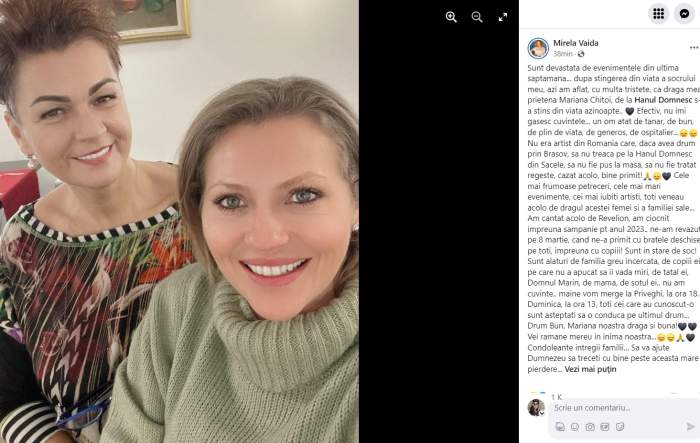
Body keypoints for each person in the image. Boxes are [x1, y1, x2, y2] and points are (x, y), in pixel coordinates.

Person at [101, 77, 359, 442]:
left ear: (354, 202)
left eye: (303, 195)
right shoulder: (180, 305)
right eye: (231, 201)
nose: (265, 238)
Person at [0, 1, 193, 442]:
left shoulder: (207, 207)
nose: (90, 130)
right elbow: (11, 397)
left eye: (103, 98)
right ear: (19, 133)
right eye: (54, 111)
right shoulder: (19, 244)